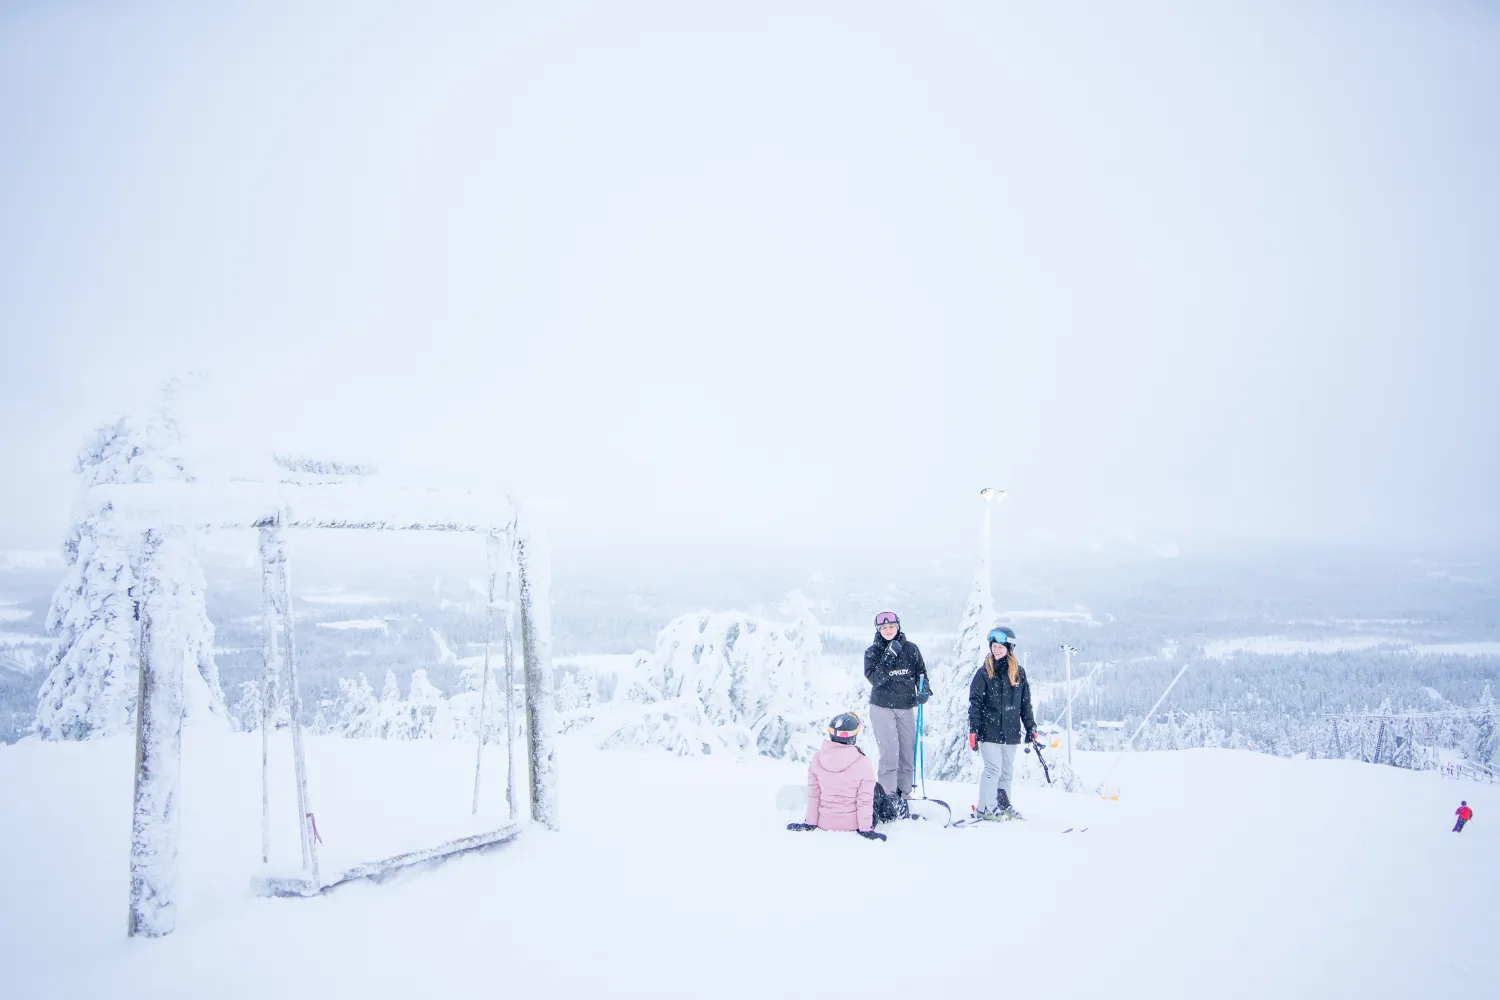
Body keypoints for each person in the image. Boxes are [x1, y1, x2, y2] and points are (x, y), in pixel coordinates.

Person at [864, 610, 931, 816]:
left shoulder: (911, 649)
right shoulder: (873, 652)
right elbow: (876, 679)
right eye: (883, 628)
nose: (888, 630)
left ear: (898, 626)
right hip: (882, 707)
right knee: (890, 751)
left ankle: (905, 791)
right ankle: (887, 794)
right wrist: (889, 656)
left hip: (906, 707)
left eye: (891, 626)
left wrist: (923, 691)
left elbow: (922, 674)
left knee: (906, 750)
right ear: (878, 630)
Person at [967, 626, 1035, 820]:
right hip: (989, 731)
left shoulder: (1018, 673)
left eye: (1000, 647)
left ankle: (1001, 805)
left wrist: (1031, 727)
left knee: (1006, 772)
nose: (996, 650)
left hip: (1011, 731)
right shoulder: (984, 673)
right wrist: (974, 729)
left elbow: (1025, 703)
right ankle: (988, 808)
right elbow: (975, 704)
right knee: (992, 769)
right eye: (993, 646)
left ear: (1009, 648)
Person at [787, 712, 886, 841]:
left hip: (825, 823)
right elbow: (865, 800)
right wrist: (866, 830)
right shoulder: (863, 762)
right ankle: (898, 811)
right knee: (876, 789)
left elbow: (814, 795)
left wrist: (810, 823)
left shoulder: (817, 758)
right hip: (853, 824)